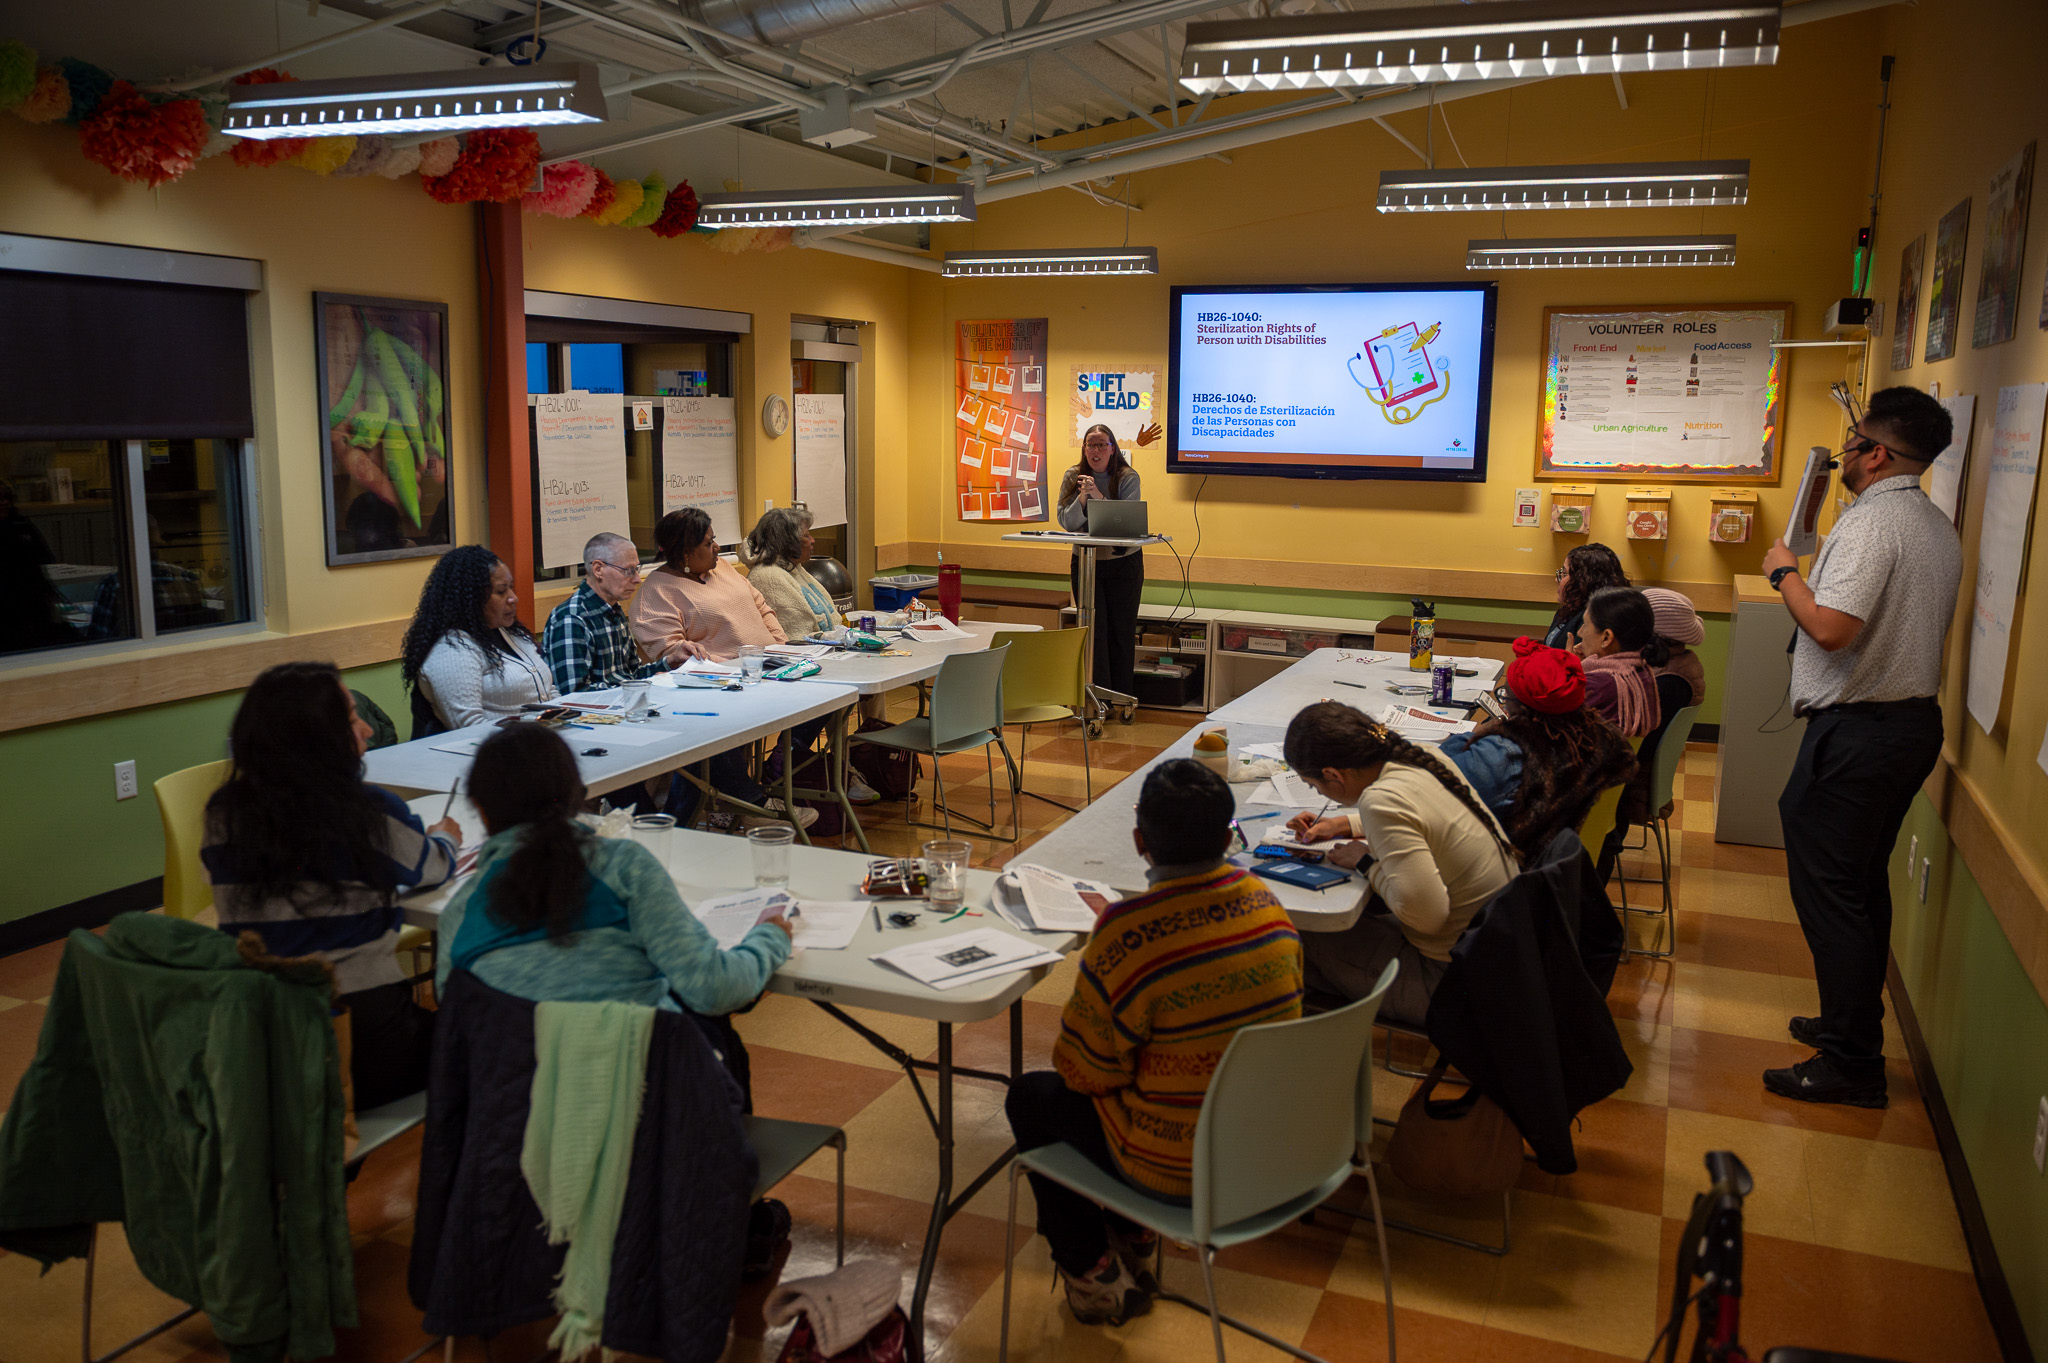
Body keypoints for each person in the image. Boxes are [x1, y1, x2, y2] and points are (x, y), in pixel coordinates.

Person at [433, 723, 797, 1272]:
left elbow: (456, 1015)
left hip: (516, 1126)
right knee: (713, 1029)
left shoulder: (462, 910)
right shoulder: (625, 868)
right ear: (580, 794)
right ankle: (736, 1227)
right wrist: (770, 935)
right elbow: (717, 986)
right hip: (650, 1114)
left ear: (480, 812)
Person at [1005, 759, 1302, 1326]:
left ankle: (1093, 1270)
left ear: (1140, 841)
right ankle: (1130, 1230)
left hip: (1176, 1166)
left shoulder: (1129, 931)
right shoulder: (1268, 907)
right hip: (1267, 1151)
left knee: (1031, 1098)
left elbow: (1081, 1072)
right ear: (1228, 835)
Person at [1759, 387, 1961, 1108]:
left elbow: (1833, 628)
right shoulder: (1935, 524)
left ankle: (1851, 1060)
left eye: (1852, 442)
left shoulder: (1874, 524)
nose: (1843, 453)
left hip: (1860, 733)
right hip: (1905, 726)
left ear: (1878, 454)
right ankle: (1848, 1023)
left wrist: (1786, 571)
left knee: (1834, 895)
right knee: (1861, 886)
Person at [202, 661, 460, 1109]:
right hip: (362, 1036)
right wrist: (445, 837)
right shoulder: (364, 811)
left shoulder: (223, 813)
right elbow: (430, 867)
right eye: (351, 718)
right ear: (316, 737)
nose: (368, 731)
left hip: (263, 1040)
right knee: (490, 1027)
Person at [1282, 703, 1516, 1027]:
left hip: (1450, 984)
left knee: (1285, 938)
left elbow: (1427, 918)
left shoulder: (1380, 801)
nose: (1320, 794)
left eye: (1315, 786)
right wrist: (1345, 824)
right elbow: (1422, 817)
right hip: (1499, 958)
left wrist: (1365, 862)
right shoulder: (1416, 754)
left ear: (1334, 775)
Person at [629, 508, 820, 830]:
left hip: (768, 669)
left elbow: (762, 607)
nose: (717, 547)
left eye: (715, 539)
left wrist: (776, 647)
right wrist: (738, 667)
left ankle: (765, 782)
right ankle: (750, 803)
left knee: (827, 701)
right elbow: (670, 653)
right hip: (716, 687)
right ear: (686, 552)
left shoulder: (725, 571)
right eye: (709, 542)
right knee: (720, 728)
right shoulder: (656, 592)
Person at [1437, 637, 1637, 864]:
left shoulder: (1503, 754)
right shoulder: (1606, 739)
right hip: (1572, 871)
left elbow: (1433, 783)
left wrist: (1473, 735)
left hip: (1508, 875)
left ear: (1519, 706)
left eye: (1506, 697)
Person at [401, 544, 557, 733]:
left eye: (511, 588)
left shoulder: (511, 633)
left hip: (541, 740)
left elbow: (548, 693)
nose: (513, 598)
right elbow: (469, 728)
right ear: (471, 598)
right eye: (501, 591)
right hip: (497, 752)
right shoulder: (452, 650)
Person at [1057, 424, 1143, 719]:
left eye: (1101, 445)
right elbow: (1067, 523)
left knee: (1120, 631)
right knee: (1094, 632)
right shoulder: (1073, 476)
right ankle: (1096, 700)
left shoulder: (1128, 477)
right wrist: (1082, 497)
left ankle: (1121, 699)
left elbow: (1123, 524)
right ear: (1084, 449)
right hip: (1086, 562)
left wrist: (1098, 495)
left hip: (1123, 563)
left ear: (1112, 448)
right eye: (1090, 445)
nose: (1095, 451)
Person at [541, 531, 667, 695]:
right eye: (628, 570)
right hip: (590, 716)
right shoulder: (571, 618)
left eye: (636, 569)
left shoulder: (614, 610)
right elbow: (574, 695)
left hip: (620, 706)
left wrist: (670, 663)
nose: (637, 579)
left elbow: (631, 675)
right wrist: (641, 686)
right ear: (598, 569)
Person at [1572, 586, 1666, 739]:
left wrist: (1568, 672)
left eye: (1586, 624)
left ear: (1606, 637)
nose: (1580, 632)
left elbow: (1556, 734)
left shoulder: (1596, 685)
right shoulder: (1642, 672)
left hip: (1593, 761)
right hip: (1625, 761)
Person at [740, 506, 838, 642]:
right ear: (788, 542)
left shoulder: (792, 567)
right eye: (806, 536)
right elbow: (796, 637)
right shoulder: (768, 577)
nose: (813, 540)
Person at [1544, 543, 1630, 648]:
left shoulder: (1594, 620)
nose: (1557, 580)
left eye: (1564, 573)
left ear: (1583, 581)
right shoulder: (1567, 611)